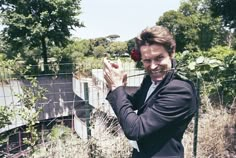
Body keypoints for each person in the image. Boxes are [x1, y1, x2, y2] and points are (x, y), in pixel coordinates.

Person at [103, 25, 197, 158]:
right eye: (147, 60)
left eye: (159, 58)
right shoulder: (149, 80)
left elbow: (135, 129)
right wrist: (116, 86)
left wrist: (117, 87)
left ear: (171, 53)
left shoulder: (180, 90)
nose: (153, 66)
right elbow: (134, 102)